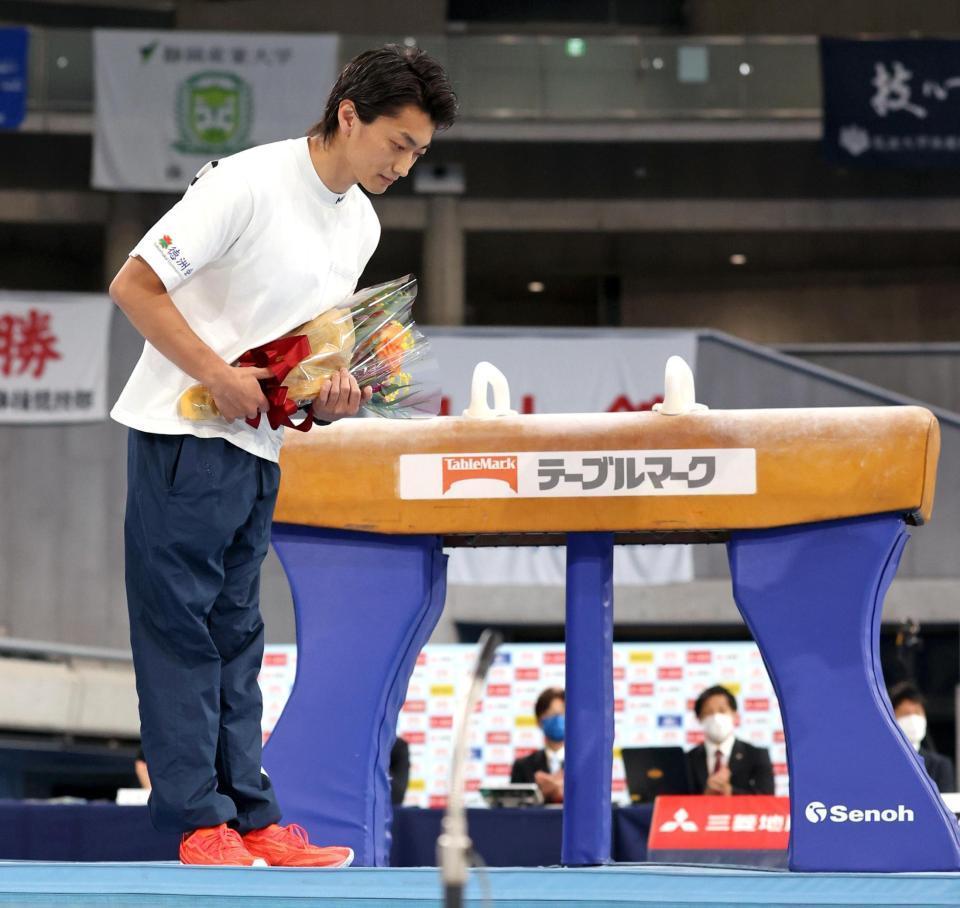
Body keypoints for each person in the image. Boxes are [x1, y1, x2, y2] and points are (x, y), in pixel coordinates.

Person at [109, 45, 457, 867]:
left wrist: (332, 396)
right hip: (180, 437)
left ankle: (254, 816)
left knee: (239, 635)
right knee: (180, 636)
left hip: (258, 447)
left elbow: (305, 354)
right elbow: (134, 286)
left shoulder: (362, 223)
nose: (404, 166)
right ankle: (200, 822)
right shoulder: (247, 183)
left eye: (418, 153)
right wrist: (215, 375)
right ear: (348, 115)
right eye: (397, 144)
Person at [686, 684, 775, 796]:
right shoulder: (687, 760)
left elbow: (767, 801)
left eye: (722, 710)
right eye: (708, 712)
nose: (716, 717)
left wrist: (730, 792)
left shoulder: (756, 755)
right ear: (699, 718)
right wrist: (706, 795)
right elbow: (675, 803)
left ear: (734, 715)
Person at [889, 680, 955, 793]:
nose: (913, 719)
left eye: (917, 713)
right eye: (905, 714)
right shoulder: (884, 762)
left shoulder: (940, 766)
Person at [511, 687, 565, 803]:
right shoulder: (522, 766)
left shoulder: (582, 766)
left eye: (562, 713)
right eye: (551, 713)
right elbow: (514, 811)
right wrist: (540, 794)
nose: (557, 719)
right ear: (539, 721)